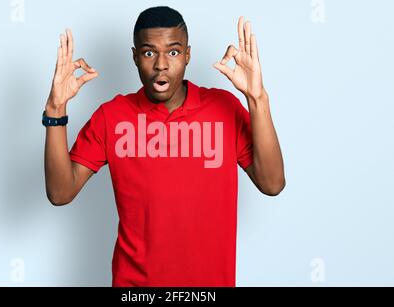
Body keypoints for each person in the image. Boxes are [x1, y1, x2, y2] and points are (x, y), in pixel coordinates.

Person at [43, 6, 285, 287]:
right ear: (134, 57)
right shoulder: (112, 117)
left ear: (187, 55)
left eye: (172, 52)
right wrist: (55, 109)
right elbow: (60, 193)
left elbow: (272, 183)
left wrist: (257, 99)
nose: (161, 64)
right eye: (149, 53)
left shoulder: (223, 109)